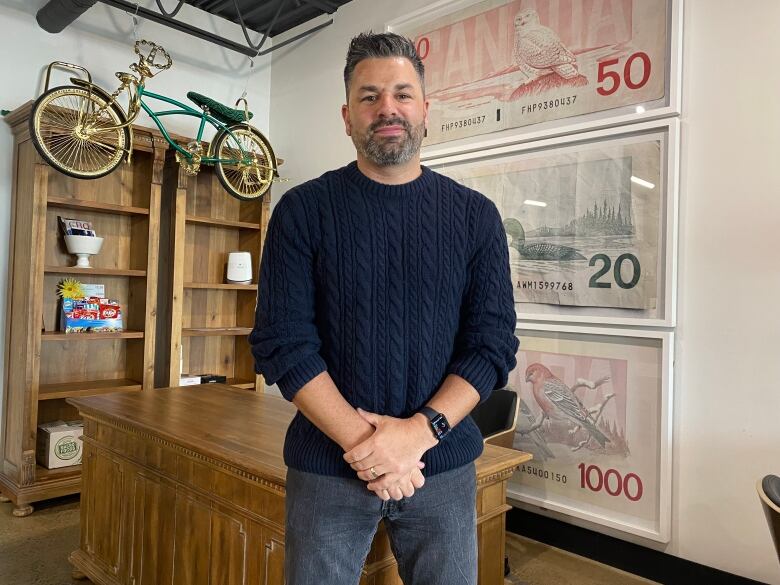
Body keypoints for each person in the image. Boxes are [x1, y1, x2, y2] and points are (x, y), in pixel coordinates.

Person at [249, 31, 518, 585]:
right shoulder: (301, 211)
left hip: (441, 466)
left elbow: (491, 345)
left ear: (426, 109)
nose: (387, 108)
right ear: (347, 117)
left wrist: (418, 434)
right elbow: (284, 342)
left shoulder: (475, 217)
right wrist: (366, 445)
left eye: (402, 93)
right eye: (369, 97)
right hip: (327, 468)